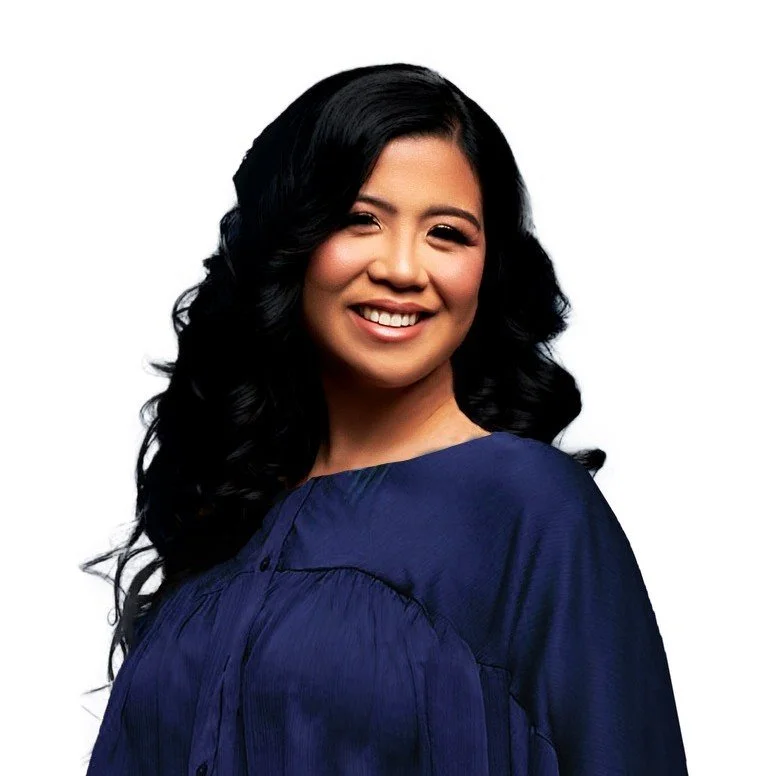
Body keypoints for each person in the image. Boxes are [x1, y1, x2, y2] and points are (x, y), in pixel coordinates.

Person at [81, 63, 688, 774]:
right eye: (360, 220)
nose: (403, 267)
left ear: (487, 268)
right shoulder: (231, 516)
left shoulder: (527, 507)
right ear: (292, 243)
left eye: (448, 234)